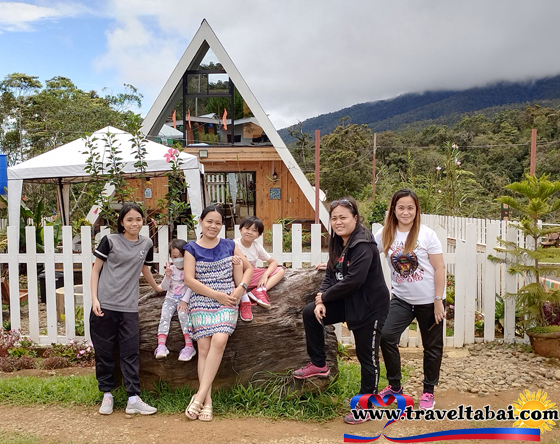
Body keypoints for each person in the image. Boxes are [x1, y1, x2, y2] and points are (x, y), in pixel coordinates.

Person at [293, 197, 390, 424]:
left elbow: (354, 280)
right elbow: (331, 272)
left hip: (370, 307)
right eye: (334, 218)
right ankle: (319, 364)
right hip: (349, 302)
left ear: (355, 218)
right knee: (310, 314)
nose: (338, 222)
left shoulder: (363, 244)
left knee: (368, 358)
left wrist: (325, 296)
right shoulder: (338, 241)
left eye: (343, 217)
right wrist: (320, 302)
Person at [374, 189, 446, 411]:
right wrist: (336, 264)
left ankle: (428, 391)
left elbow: (439, 267)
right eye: (401, 207)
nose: (405, 212)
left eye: (410, 208)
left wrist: (437, 300)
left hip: (429, 301)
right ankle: (395, 386)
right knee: (386, 336)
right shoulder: (385, 234)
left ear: (416, 210)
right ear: (393, 210)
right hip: (402, 300)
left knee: (432, 347)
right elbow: (362, 254)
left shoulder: (426, 234)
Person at [90, 203, 161, 416]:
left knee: (130, 352)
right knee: (104, 353)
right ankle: (107, 395)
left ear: (143, 221)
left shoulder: (147, 242)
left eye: (138, 219)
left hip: (129, 307)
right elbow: (95, 270)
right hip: (105, 304)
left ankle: (133, 399)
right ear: (122, 222)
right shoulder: (110, 241)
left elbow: (144, 268)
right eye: (129, 219)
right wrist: (94, 299)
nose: (134, 223)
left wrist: (157, 288)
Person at [183, 205, 253, 421]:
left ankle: (199, 396)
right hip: (202, 299)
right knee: (203, 346)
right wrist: (216, 295)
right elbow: (189, 280)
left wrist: (240, 288)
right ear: (201, 222)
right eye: (209, 221)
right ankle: (208, 402)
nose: (213, 226)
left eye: (218, 222)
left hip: (227, 300)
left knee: (220, 340)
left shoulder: (229, 245)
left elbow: (249, 268)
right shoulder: (191, 248)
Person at [233, 216, 285, 322]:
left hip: (250, 276)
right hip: (235, 278)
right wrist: (231, 258)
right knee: (239, 262)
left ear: (258, 235)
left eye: (254, 230)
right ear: (240, 229)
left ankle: (260, 290)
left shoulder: (256, 246)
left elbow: (273, 262)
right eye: (247, 228)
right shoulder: (233, 244)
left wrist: (265, 275)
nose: (250, 232)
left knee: (280, 270)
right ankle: (244, 299)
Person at [154, 239, 196, 362]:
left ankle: (189, 346)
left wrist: (184, 301)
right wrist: (167, 276)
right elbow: (164, 288)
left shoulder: (190, 268)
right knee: (164, 317)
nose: (178, 259)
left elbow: (191, 286)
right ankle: (161, 345)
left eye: (181, 256)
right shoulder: (171, 269)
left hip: (184, 300)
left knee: (184, 317)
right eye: (174, 257)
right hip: (170, 299)